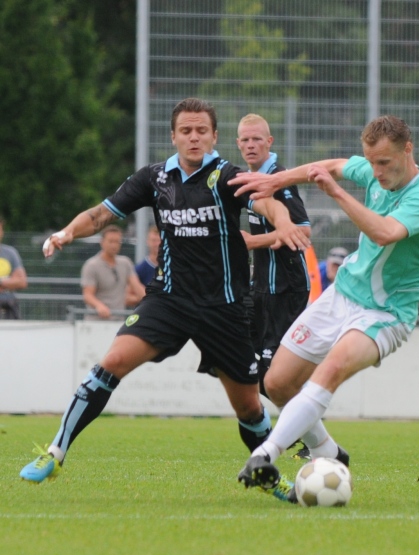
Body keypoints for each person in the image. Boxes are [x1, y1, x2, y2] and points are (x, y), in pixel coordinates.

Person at [19, 97, 309, 487]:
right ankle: (55, 453)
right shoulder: (154, 178)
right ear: (173, 136)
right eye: (186, 131)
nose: (194, 138)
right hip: (167, 300)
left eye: (201, 131)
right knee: (111, 363)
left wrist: (284, 222)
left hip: (224, 309)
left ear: (214, 136)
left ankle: (272, 479)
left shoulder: (227, 176)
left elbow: (266, 201)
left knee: (249, 406)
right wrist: (67, 232)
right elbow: (103, 213)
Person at [229, 115, 419, 500]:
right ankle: (328, 452)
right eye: (371, 162)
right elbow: (328, 166)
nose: (377, 172)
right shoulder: (373, 170)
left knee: (326, 373)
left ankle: (265, 454)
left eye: (385, 163)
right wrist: (275, 180)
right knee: (277, 383)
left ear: (407, 150)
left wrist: (336, 193)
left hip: (384, 315)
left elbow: (382, 232)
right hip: (341, 296)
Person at [236, 112, 312, 458]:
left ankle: (308, 434)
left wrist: (253, 243)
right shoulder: (246, 179)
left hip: (286, 289)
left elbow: (303, 233)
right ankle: (301, 426)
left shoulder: (279, 179)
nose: (250, 145)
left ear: (270, 142)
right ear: (238, 144)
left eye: (257, 139)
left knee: (269, 374)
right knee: (237, 361)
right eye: (244, 140)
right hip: (259, 289)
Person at [81, 225, 145, 320]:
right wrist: (99, 306)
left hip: (118, 320)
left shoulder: (125, 263)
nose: (114, 245)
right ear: (102, 242)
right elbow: (88, 295)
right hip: (96, 321)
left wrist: (151, 300)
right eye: (111, 241)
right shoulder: (92, 265)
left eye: (117, 242)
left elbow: (137, 287)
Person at [0, 217, 28, 319]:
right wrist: (9, 282)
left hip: (8, 306)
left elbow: (21, 282)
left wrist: (1, 283)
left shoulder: (10, 253)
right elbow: (15, 281)